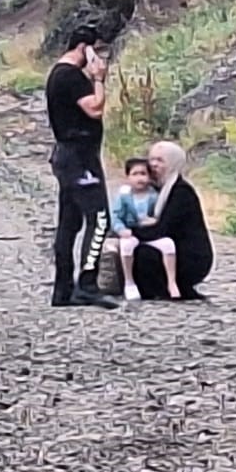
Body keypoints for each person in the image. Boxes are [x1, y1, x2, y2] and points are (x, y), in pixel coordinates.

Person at [45, 28, 119, 309]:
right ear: (85, 48)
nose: (99, 57)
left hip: (69, 156)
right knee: (99, 219)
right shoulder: (71, 77)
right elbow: (95, 109)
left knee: (70, 222)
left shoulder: (59, 74)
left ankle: (63, 290)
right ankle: (87, 284)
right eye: (96, 51)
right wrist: (99, 79)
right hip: (79, 158)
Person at [127, 141, 214, 301]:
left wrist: (129, 233)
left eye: (160, 160)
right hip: (172, 249)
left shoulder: (181, 192)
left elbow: (162, 229)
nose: (153, 164)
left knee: (141, 253)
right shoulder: (154, 191)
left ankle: (165, 288)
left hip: (191, 259)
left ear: (173, 164)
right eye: (151, 159)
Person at [112, 157, 177, 302]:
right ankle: (129, 282)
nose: (139, 178)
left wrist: (154, 221)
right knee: (127, 245)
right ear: (127, 177)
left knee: (168, 244)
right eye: (135, 174)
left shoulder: (154, 196)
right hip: (132, 232)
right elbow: (115, 216)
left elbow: (159, 214)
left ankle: (172, 282)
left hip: (149, 233)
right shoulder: (124, 197)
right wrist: (120, 229)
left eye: (143, 174)